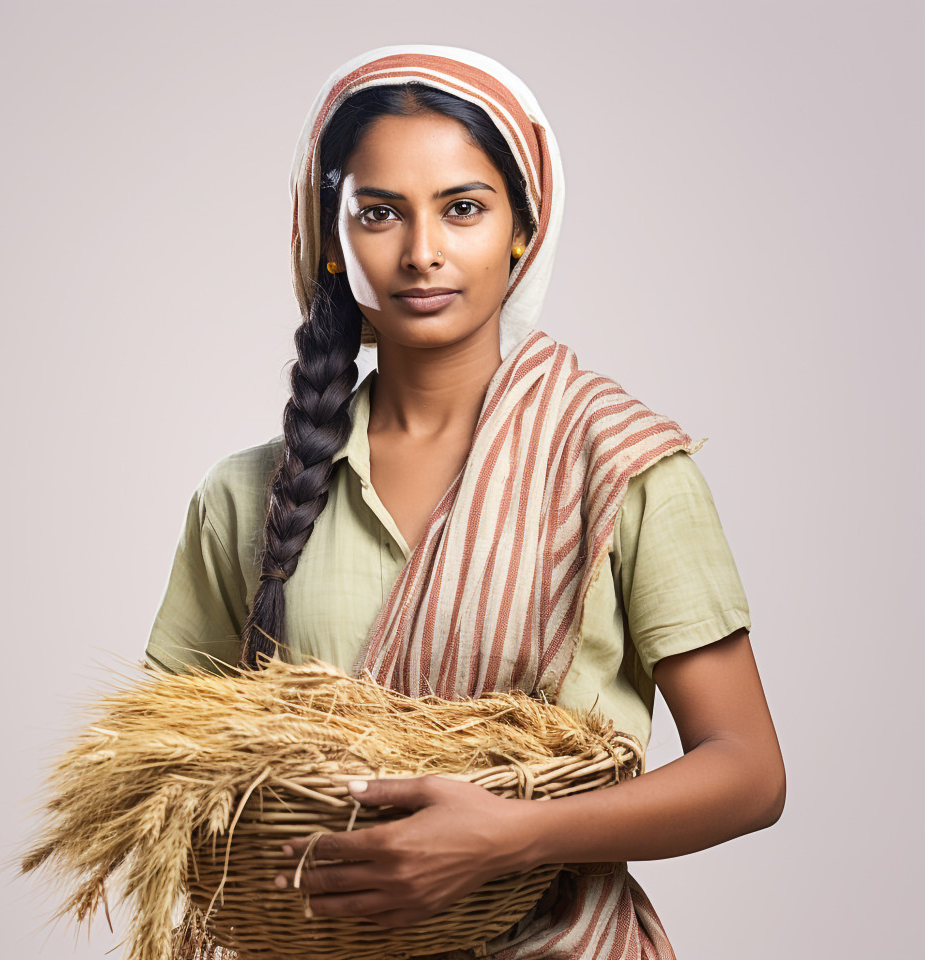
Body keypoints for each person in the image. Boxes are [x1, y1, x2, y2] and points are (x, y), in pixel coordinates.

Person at [144, 44, 785, 959]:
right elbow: (166, 776)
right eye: (378, 213)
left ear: (521, 230)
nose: (422, 253)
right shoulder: (247, 497)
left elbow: (750, 773)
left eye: (464, 209)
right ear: (328, 240)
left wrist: (514, 835)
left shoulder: (618, 465)